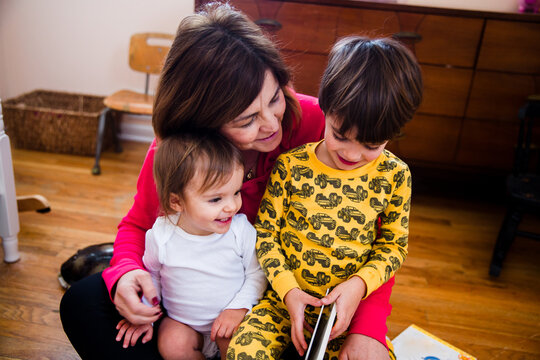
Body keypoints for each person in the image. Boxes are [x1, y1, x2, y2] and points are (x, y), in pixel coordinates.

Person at [60, 3, 397, 359]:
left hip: (284, 301)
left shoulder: (321, 130)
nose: (271, 124)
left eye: (275, 98)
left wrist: (369, 330)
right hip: (192, 304)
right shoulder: (178, 153)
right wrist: (125, 276)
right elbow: (138, 225)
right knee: (83, 304)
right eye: (246, 119)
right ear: (201, 121)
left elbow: (374, 237)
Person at [227, 35, 423, 360]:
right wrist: (289, 291)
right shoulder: (290, 166)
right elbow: (266, 236)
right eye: (340, 135)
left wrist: (359, 285)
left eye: (371, 145)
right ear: (325, 108)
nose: (352, 153)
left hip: (345, 315)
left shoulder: (395, 176)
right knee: (241, 353)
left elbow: (393, 246)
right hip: (279, 306)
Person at [115, 132, 267, 359]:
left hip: (232, 319)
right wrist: (146, 313)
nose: (232, 206)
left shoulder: (240, 231)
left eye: (236, 193)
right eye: (216, 199)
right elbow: (152, 276)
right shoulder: (162, 235)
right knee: (171, 341)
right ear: (176, 201)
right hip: (184, 324)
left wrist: (239, 309)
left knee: (239, 343)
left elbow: (257, 274)